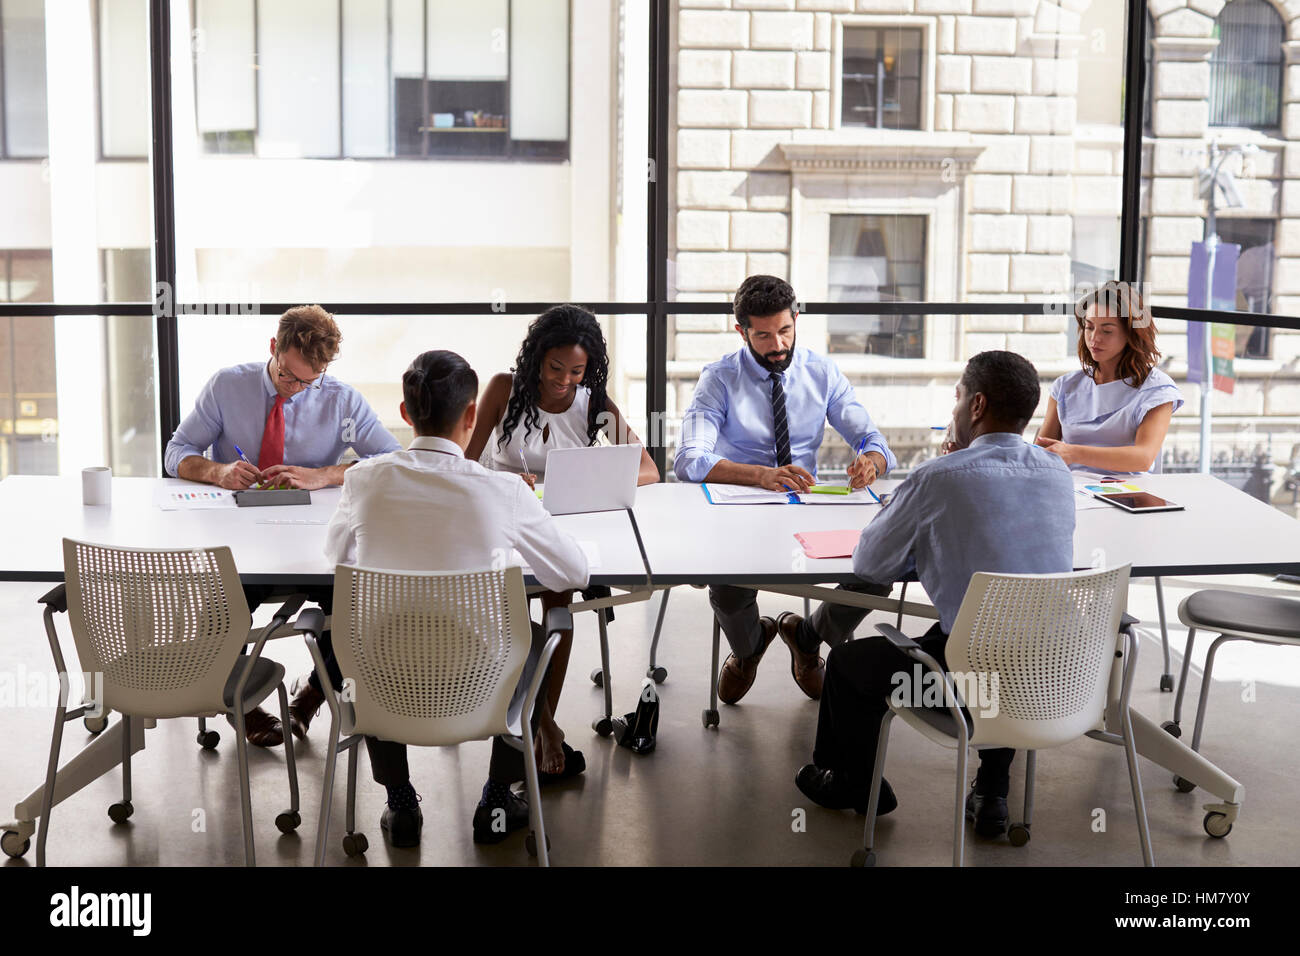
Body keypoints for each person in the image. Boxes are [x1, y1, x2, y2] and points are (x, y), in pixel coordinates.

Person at [795, 351, 1075, 839]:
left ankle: (851, 784)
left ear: (977, 405)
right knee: (1000, 638)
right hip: (1054, 679)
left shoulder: (936, 477)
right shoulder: (1056, 473)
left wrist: (926, 506)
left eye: (958, 398)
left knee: (849, 665)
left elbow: (870, 564)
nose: (954, 410)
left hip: (967, 692)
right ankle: (992, 791)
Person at [324, 349, 590, 848]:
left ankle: (400, 801)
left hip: (386, 680)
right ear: (472, 415)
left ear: (404, 415)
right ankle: (494, 796)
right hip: (482, 682)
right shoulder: (504, 491)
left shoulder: (363, 480)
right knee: (534, 637)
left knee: (358, 645)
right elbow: (574, 571)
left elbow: (336, 558)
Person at [165, 305, 401, 747]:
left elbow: (390, 462)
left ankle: (309, 698)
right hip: (242, 539)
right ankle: (242, 705)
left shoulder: (341, 400)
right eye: (286, 376)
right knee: (220, 612)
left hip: (317, 543)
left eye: (308, 381)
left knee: (351, 608)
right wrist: (217, 472)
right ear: (273, 348)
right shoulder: (227, 385)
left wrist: (325, 474)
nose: (294, 389)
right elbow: (177, 450)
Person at [673, 274, 895, 705]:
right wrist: (760, 475)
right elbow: (689, 460)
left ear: (796, 319)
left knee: (877, 571)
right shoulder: (718, 379)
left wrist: (872, 461)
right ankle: (749, 649)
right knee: (727, 584)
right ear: (742, 332)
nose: (777, 345)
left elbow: (876, 442)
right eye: (762, 335)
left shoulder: (821, 372)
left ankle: (808, 637)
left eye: (785, 331)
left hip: (808, 507)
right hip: (740, 509)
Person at [466, 304, 658, 778]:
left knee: (559, 598)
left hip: (559, 522)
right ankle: (536, 721)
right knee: (513, 609)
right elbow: (466, 463)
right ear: (536, 358)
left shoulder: (591, 401)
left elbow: (649, 468)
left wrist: (590, 482)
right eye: (556, 368)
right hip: (501, 522)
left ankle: (544, 718)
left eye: (577, 371)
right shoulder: (503, 388)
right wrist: (505, 485)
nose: (565, 381)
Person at [1036, 280, 1183, 474]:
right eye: (1089, 328)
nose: (1094, 338)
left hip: (1130, 493)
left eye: (1107, 331)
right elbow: (1042, 452)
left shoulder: (1157, 390)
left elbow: (1143, 458)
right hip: (1073, 490)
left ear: (1131, 335)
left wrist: (1073, 453)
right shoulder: (1065, 386)